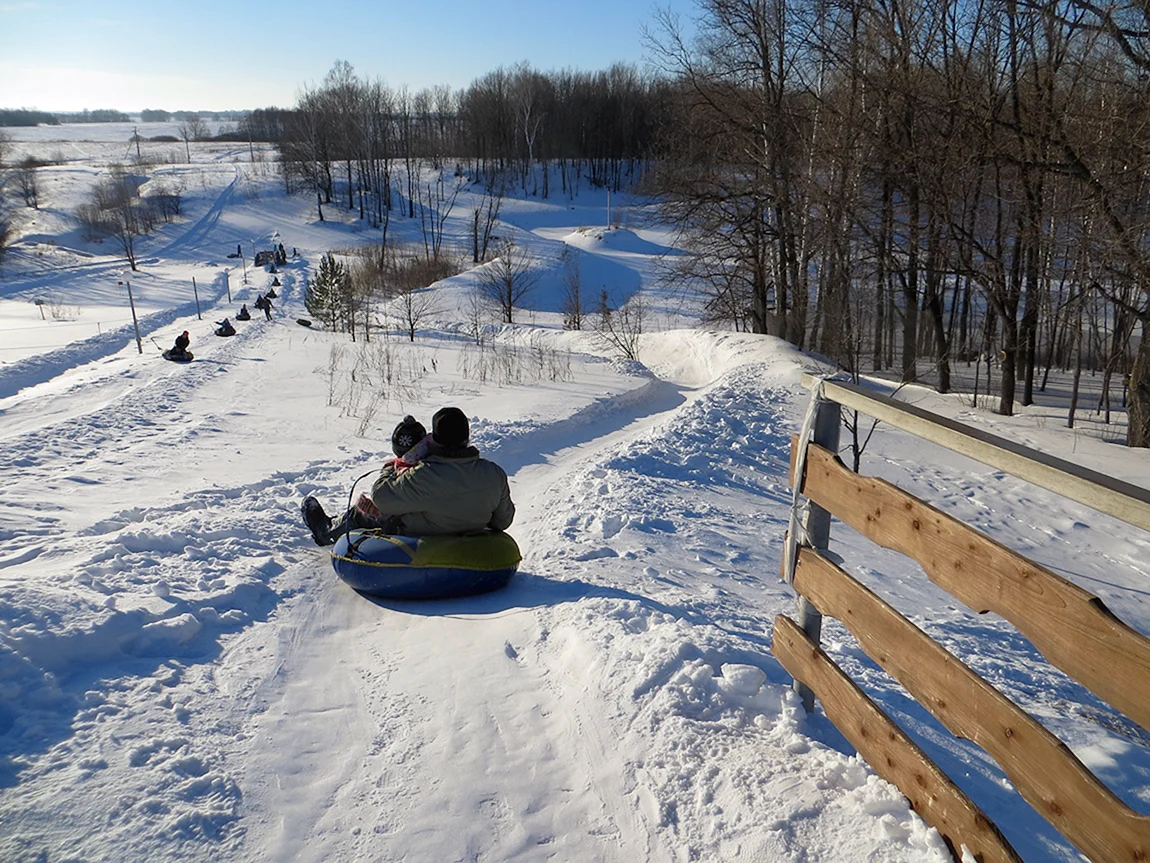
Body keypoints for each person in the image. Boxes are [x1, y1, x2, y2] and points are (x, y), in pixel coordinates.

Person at [302, 407, 515, 546]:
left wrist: (390, 468)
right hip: (470, 537)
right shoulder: (494, 473)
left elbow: (381, 498)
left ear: (435, 440)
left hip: (421, 539)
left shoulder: (424, 475)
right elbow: (503, 521)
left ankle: (325, 531)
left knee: (362, 512)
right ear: (467, 437)